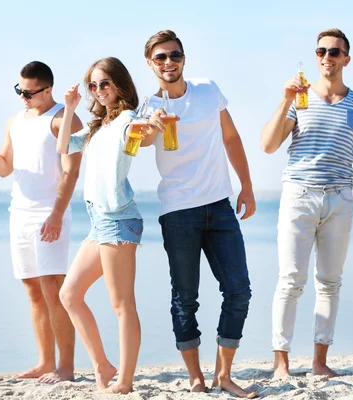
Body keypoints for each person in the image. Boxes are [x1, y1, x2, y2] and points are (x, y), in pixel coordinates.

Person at [141, 30, 258, 398]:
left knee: (239, 290)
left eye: (174, 55)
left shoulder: (208, 89)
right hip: (178, 212)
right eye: (160, 58)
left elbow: (232, 137)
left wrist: (247, 185)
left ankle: (224, 375)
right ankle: (195, 378)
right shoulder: (148, 106)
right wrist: (151, 125)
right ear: (150, 64)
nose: (168, 63)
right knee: (185, 298)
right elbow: (139, 143)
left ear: (184, 59)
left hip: (220, 206)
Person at [260, 28, 353, 378]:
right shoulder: (300, 99)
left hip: (340, 198)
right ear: (316, 57)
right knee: (290, 280)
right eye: (321, 51)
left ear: (346, 58)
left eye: (334, 51)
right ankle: (281, 364)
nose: (327, 56)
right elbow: (268, 145)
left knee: (329, 282)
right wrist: (285, 99)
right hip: (299, 195)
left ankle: (319, 363)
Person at [0, 61, 83, 383]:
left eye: (29, 92)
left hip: (50, 213)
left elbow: (71, 171)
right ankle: (45, 362)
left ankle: (66, 366)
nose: (22, 96)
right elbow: (6, 166)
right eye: (19, 90)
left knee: (54, 289)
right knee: (33, 290)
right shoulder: (15, 120)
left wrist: (56, 215)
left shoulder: (65, 119)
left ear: (47, 89)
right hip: (18, 213)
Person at [56, 57, 151, 394]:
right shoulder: (98, 125)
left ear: (119, 84)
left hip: (119, 220)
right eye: (93, 86)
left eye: (104, 83)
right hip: (99, 223)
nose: (98, 90)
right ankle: (103, 365)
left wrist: (151, 129)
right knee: (69, 294)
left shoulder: (127, 119)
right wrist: (69, 107)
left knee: (122, 305)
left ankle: (124, 381)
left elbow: (144, 135)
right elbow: (64, 146)